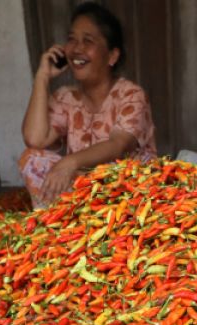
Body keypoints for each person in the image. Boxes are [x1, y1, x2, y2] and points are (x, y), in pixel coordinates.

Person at [20, 2, 156, 208]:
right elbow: (34, 139)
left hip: (128, 194)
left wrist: (69, 162)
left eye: (88, 41)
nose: (76, 48)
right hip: (88, 191)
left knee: (109, 177)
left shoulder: (131, 95)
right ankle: (59, 226)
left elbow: (118, 146)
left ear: (112, 56)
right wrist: (42, 78)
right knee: (31, 158)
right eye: (72, 39)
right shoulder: (65, 97)